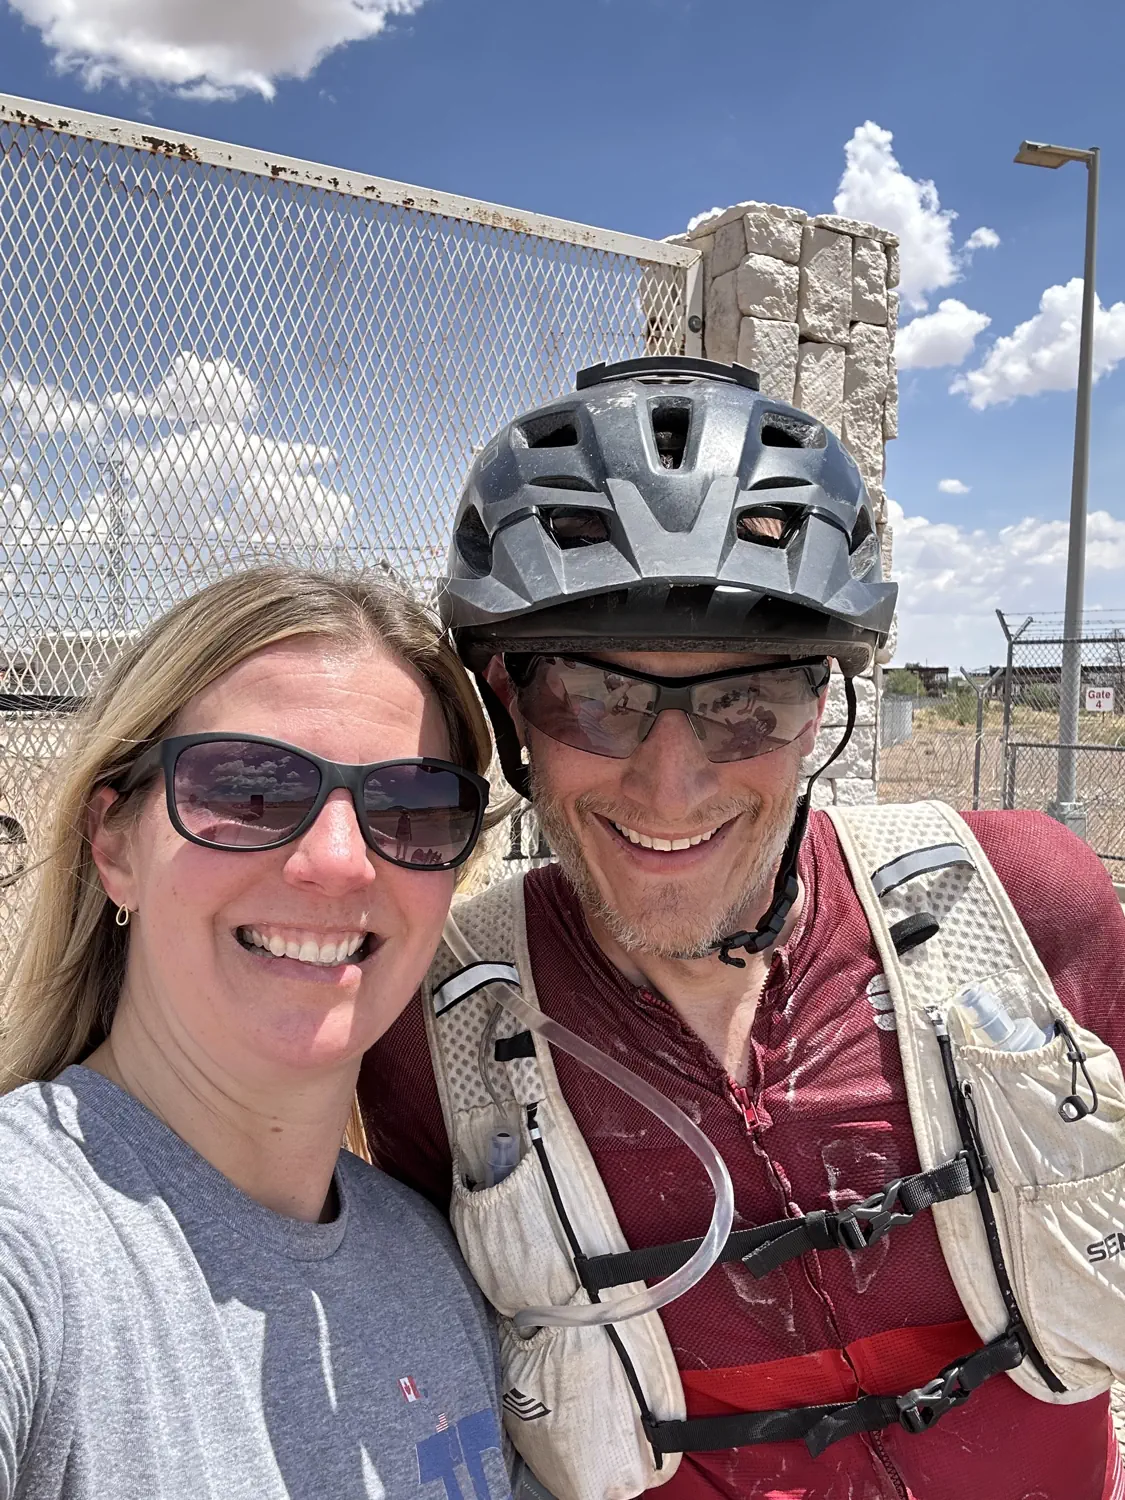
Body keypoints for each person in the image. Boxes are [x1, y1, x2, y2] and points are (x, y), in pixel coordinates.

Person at [361, 357, 1125, 1500]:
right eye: (593, 695)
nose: (669, 789)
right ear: (512, 708)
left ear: (820, 706)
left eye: (745, 700)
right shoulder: (432, 1033)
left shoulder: (1021, 906)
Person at [0, 565, 513, 1500]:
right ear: (114, 846)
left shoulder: (429, 1265)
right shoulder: (29, 1242)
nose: (338, 861)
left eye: (410, 805)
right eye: (247, 790)